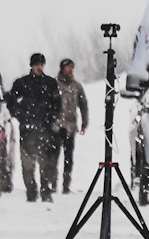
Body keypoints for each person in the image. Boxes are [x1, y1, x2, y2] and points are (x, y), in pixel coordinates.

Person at [5, 53, 62, 203]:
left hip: (45, 129)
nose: (40, 67)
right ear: (31, 65)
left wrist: (50, 118)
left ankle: (45, 191)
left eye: (42, 64)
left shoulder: (50, 84)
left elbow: (57, 105)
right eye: (37, 64)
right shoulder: (22, 83)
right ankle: (31, 192)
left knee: (46, 163)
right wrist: (22, 116)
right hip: (28, 129)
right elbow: (11, 102)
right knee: (28, 164)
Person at [53, 58, 90, 193]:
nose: (71, 70)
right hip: (56, 126)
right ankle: (52, 184)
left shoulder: (76, 86)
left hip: (70, 126)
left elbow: (83, 105)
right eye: (68, 67)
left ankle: (66, 185)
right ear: (63, 68)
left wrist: (84, 122)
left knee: (68, 157)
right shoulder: (54, 84)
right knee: (54, 156)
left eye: (72, 67)